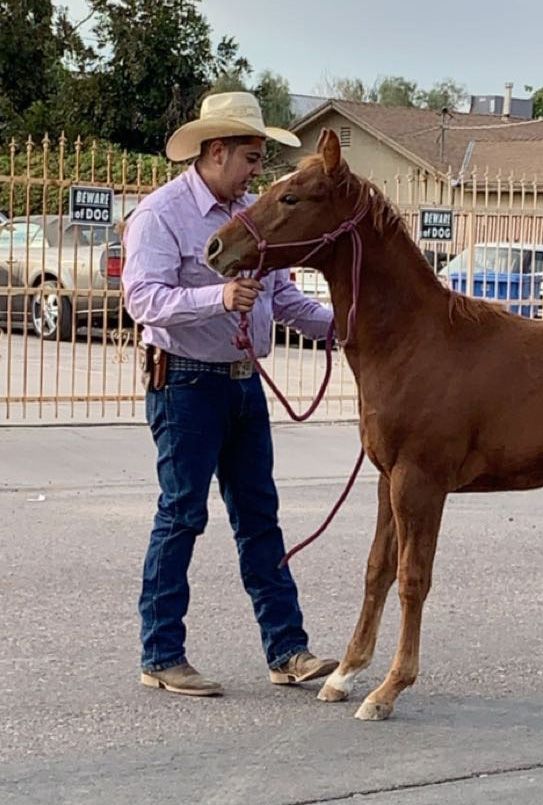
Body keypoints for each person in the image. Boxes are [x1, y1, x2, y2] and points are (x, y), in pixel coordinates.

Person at [122, 92, 338, 696]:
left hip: (242, 383)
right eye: (249, 157)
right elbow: (142, 299)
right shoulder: (162, 214)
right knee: (182, 514)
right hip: (186, 382)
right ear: (215, 152)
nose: (256, 171)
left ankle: (287, 650)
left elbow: (286, 300)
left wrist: (348, 328)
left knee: (259, 518)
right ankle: (161, 653)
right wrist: (213, 299)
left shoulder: (252, 214)